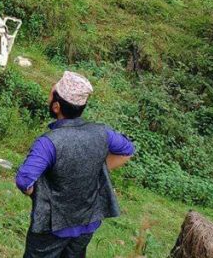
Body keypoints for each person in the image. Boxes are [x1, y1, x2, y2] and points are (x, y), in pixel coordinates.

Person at [15, 72, 135, 258]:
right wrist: (94, 168)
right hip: (87, 222)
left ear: (56, 106)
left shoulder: (48, 142)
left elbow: (24, 181)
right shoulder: (102, 132)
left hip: (51, 228)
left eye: (50, 94)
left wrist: (42, 194)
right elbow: (127, 151)